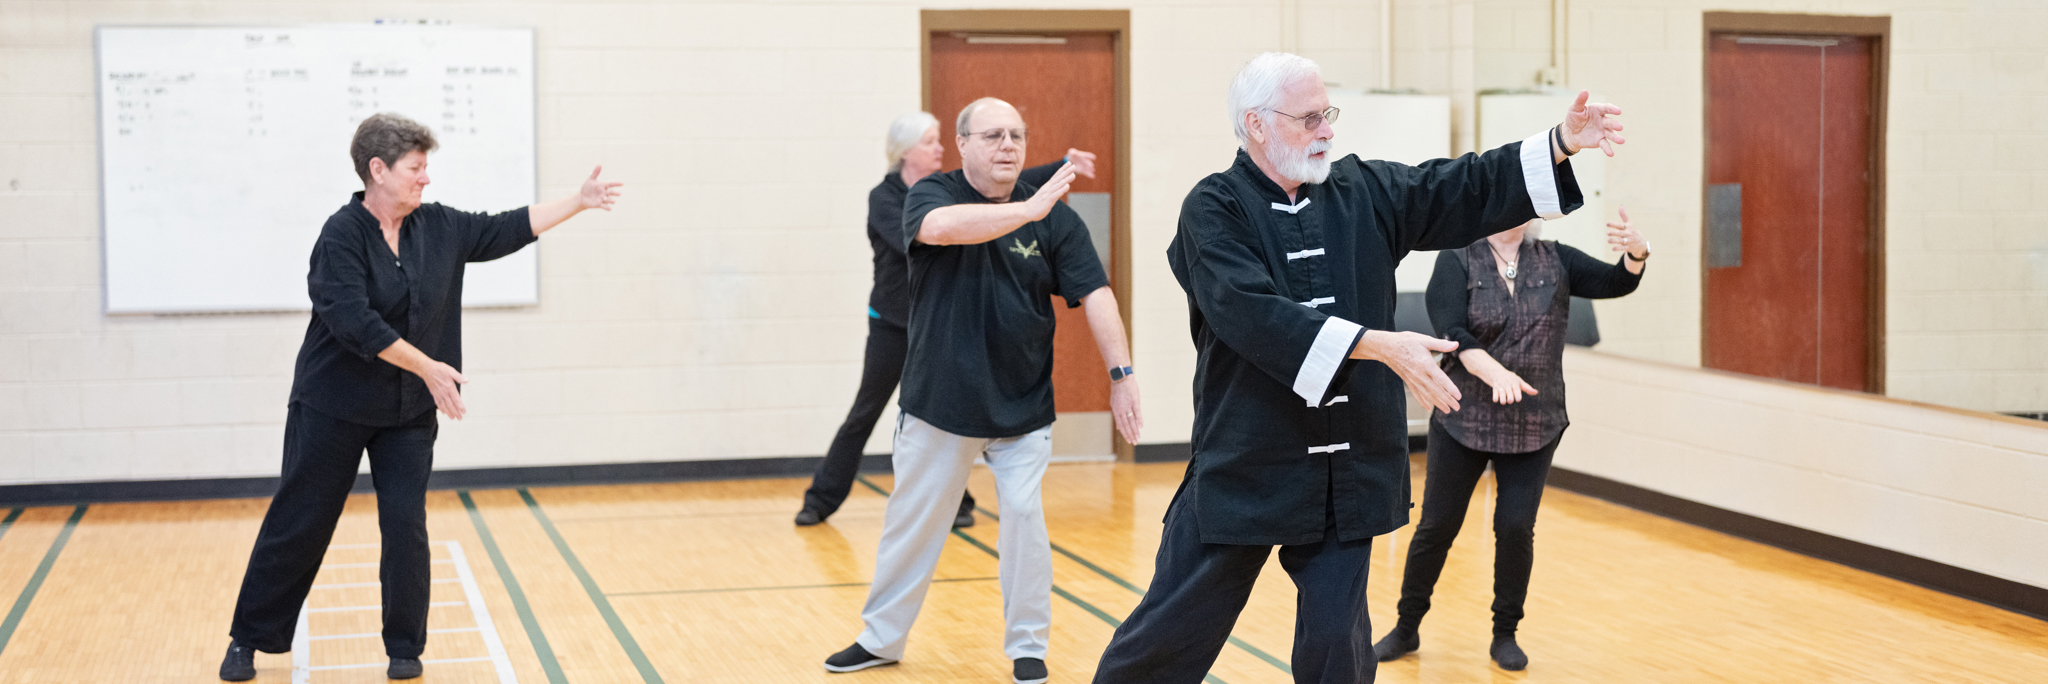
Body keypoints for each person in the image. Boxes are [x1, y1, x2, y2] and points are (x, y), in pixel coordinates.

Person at [1090, 52, 1625, 684]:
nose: (1327, 130)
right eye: (1310, 117)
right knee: (1171, 631)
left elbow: (1461, 185)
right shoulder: (1213, 207)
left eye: (1329, 114)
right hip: (1248, 456)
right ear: (1257, 125)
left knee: (1337, 651)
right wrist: (1378, 344)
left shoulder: (1364, 191)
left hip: (1349, 465)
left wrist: (1561, 144)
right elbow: (1249, 312)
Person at [218, 113, 622, 682]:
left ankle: (404, 649)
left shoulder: (438, 227)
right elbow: (355, 323)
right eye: (416, 168)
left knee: (406, 526)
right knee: (301, 520)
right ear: (377, 170)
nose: (425, 179)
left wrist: (577, 202)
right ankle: (248, 640)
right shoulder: (340, 236)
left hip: (406, 412)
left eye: (426, 168)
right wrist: (429, 365)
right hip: (332, 405)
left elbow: (506, 228)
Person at [822, 97, 1141, 684]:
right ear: (963, 144)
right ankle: (881, 638)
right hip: (940, 402)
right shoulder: (932, 195)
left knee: (1023, 517)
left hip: (1021, 405)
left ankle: (1027, 646)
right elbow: (941, 230)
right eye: (993, 135)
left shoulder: (1053, 217)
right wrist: (1029, 209)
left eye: (1017, 135)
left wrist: (1122, 374)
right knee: (913, 523)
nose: (1009, 146)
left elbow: (1095, 293)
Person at [1372, 209, 1649, 671]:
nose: (1511, 214)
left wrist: (1637, 252)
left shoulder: (1555, 259)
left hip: (1534, 422)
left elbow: (1618, 282)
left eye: (1521, 206)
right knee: (1437, 526)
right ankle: (1406, 625)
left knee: (1515, 528)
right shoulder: (1457, 259)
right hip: (1463, 416)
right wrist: (1494, 371)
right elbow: (1452, 335)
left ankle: (1505, 634)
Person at [796, 111, 1099, 529]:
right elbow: (928, 238)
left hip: (939, 329)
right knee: (866, 412)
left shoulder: (949, 193)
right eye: (930, 141)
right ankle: (820, 499)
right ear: (905, 151)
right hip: (894, 326)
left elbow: (1014, 190)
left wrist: (1062, 166)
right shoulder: (889, 198)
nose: (939, 148)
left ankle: (956, 503)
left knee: (951, 418)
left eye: (942, 140)